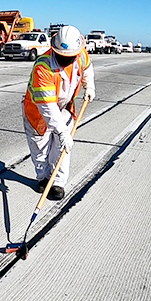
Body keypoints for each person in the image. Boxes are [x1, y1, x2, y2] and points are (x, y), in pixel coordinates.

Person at [22, 25, 95, 200]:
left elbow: (87, 69)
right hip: (38, 112)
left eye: (69, 56)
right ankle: (43, 178)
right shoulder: (43, 67)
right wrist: (62, 131)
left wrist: (89, 85)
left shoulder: (80, 55)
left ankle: (57, 183)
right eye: (62, 56)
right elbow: (47, 107)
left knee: (61, 148)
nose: (65, 59)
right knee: (40, 148)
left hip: (63, 108)